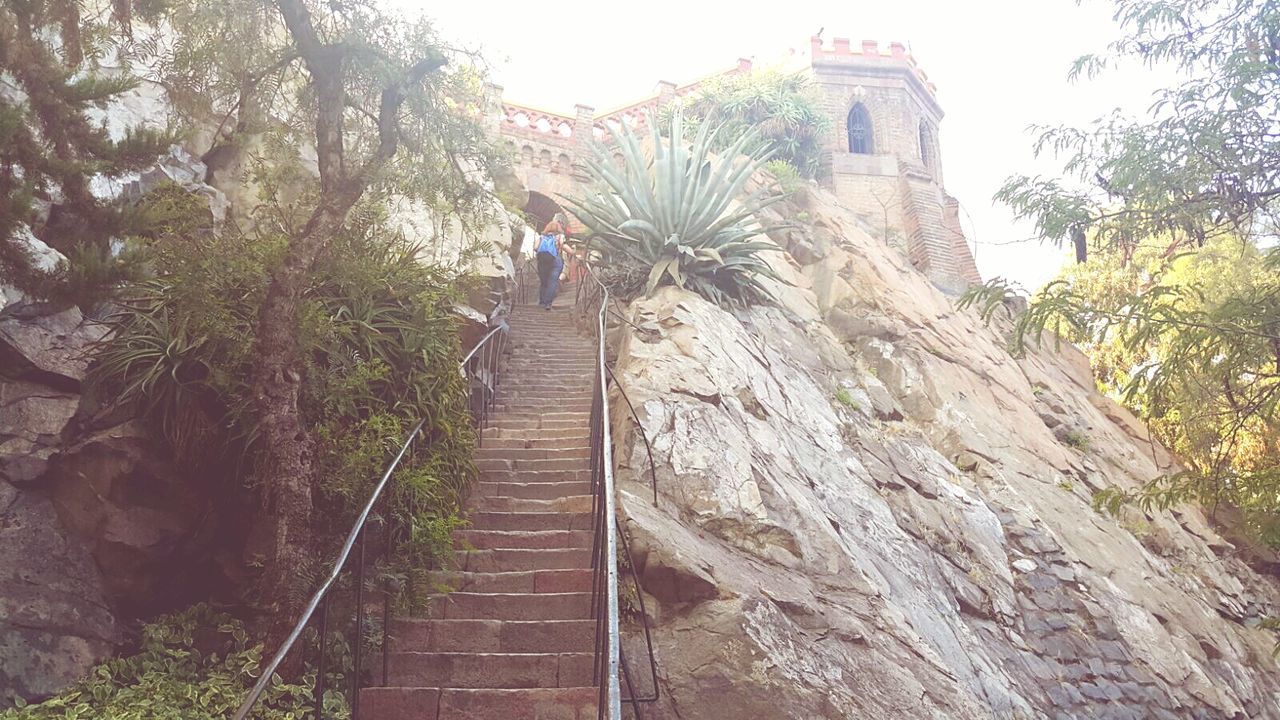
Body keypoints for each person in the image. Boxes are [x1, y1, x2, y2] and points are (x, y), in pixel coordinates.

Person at [536, 220, 566, 309]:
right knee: (552, 282)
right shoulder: (560, 236)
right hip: (555, 259)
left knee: (543, 282)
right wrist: (573, 253)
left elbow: (535, 247)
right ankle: (548, 303)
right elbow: (562, 245)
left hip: (543, 259)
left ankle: (541, 302)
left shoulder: (541, 237)